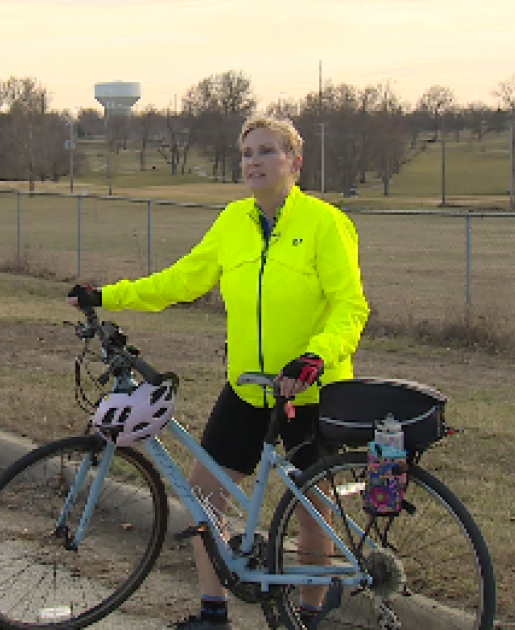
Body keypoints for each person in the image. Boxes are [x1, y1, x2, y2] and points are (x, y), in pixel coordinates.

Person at [68, 115, 368, 629]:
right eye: (248, 152)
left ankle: (311, 616)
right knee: (202, 495)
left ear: (294, 163)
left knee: (310, 512)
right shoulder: (233, 222)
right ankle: (213, 612)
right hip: (248, 391)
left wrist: (315, 356)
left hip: (309, 392)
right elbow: (182, 280)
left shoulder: (325, 223)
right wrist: (107, 295)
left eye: (268, 151)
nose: (255, 161)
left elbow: (350, 306)